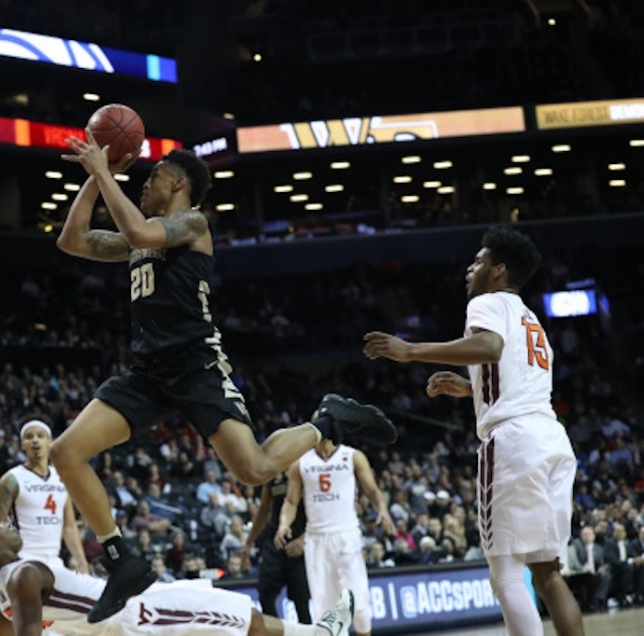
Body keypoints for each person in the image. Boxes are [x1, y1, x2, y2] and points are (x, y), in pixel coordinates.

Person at [53, 133, 395, 622]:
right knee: (67, 452)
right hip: (148, 374)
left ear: (177, 181)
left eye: (151, 178)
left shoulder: (192, 223)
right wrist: (95, 176)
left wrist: (105, 173)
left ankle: (328, 420)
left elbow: (145, 235)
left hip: (197, 366)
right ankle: (120, 561)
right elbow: (72, 240)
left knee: (254, 469)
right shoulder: (138, 235)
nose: (144, 184)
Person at [363, 226, 585, 636]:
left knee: (505, 575)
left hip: (514, 444)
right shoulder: (531, 319)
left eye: (479, 261)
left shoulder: (487, 302)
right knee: (548, 574)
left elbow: (489, 349)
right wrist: (472, 389)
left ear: (498, 270)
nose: (471, 268)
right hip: (552, 439)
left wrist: (411, 351)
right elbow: (520, 378)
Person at [0, 511, 354, 636]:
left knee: (232, 613)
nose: (13, 528)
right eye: (3, 527)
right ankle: (319, 634)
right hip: (137, 616)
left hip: (131, 616)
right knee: (233, 615)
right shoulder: (23, 574)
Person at [277, 438, 393, 636]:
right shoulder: (301, 462)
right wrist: (283, 524)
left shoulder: (353, 456)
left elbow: (373, 490)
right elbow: (290, 500)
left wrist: (382, 509)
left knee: (358, 603)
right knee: (326, 612)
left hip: (346, 535)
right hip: (316, 540)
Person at [0, 419, 88, 572]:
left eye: (40, 436)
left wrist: (82, 562)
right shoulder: (11, 479)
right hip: (23, 560)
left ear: (50, 442)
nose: (35, 440)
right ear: (23, 445)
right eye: (29, 437)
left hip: (54, 561)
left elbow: (69, 526)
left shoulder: (61, 477)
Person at [243, 473, 312, 623]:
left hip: (300, 540)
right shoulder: (273, 473)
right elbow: (264, 508)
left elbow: (318, 512)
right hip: (275, 539)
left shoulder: (304, 469)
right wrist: (249, 542)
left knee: (301, 602)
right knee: (265, 595)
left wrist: (303, 540)